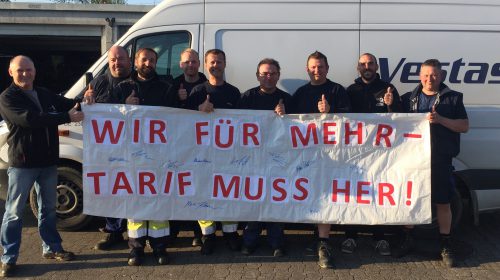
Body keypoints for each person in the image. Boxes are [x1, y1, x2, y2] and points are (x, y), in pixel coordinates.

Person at [0, 55, 83, 277]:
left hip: (47, 162)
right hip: (23, 164)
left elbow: (69, 103)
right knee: (14, 213)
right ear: (11, 72)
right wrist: (66, 116)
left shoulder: (43, 93)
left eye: (29, 69)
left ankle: (52, 248)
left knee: (48, 209)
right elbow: (30, 120)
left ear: (35, 71)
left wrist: (86, 99)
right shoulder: (7, 98)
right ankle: (8, 258)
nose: (25, 74)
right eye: (20, 70)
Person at [395, 59, 469, 268]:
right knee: (409, 200)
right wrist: (391, 103)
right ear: (420, 76)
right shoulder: (409, 99)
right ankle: (406, 239)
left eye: (434, 75)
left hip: (440, 159)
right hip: (412, 160)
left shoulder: (453, 98)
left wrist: (441, 120)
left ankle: (446, 244)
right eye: (426, 75)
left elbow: (464, 126)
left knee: (443, 202)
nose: (430, 79)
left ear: (442, 76)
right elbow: (393, 121)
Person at [111, 48, 177, 266]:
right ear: (135, 62)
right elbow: (107, 117)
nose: (148, 63)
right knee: (135, 202)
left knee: (158, 201)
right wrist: (125, 109)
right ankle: (136, 249)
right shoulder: (122, 88)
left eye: (152, 60)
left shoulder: (166, 88)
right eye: (144, 59)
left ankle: (160, 247)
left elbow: (178, 118)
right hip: (132, 155)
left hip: (160, 155)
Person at [291, 51, 351, 269]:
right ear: (307, 69)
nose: (317, 70)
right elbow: (288, 123)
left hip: (330, 155)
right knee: (309, 192)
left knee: (326, 193)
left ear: (328, 68)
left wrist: (330, 112)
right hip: (305, 155)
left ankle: (324, 242)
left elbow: (352, 121)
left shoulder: (337, 90)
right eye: (313, 67)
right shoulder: (300, 93)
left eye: (321, 67)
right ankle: (314, 236)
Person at [342, 53, 402, 256]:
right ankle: (350, 235)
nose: (367, 67)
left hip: (380, 153)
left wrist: (390, 105)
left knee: (379, 193)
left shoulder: (388, 88)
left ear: (377, 66)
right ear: (358, 67)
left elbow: (402, 118)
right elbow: (341, 119)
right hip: (356, 153)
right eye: (363, 64)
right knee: (354, 193)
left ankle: (380, 237)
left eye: (370, 63)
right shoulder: (350, 90)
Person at [186, 49, 241, 255]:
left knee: (228, 192)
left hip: (228, 155)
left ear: (225, 65)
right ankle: (208, 235)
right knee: (204, 193)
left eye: (219, 62)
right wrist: (198, 111)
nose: (215, 65)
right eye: (211, 62)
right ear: (205, 65)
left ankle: (230, 233)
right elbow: (183, 123)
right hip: (202, 156)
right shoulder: (197, 92)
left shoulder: (234, 93)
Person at [238, 58, 291, 257]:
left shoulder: (287, 99)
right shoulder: (246, 97)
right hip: (252, 160)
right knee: (254, 199)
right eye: (264, 74)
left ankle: (276, 242)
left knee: (276, 200)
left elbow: (297, 130)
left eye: (272, 73)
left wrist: (287, 116)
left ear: (278, 75)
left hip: (278, 160)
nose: (268, 77)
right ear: (257, 75)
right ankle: (250, 241)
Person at [82, 45, 132, 251]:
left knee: (135, 188)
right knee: (112, 189)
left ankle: (137, 232)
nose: (116, 62)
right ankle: (114, 232)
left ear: (129, 61)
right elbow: (82, 107)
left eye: (121, 58)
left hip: (135, 148)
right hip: (109, 149)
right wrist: (86, 100)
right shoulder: (98, 83)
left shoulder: (137, 82)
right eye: (113, 59)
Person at [169, 48, 207, 247]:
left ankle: (197, 232)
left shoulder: (206, 85)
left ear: (199, 64)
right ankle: (174, 230)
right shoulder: (173, 85)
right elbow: (165, 113)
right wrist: (179, 101)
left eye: (194, 61)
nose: (190, 65)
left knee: (198, 189)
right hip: (178, 146)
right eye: (187, 62)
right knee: (177, 188)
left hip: (201, 149)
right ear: (181, 64)